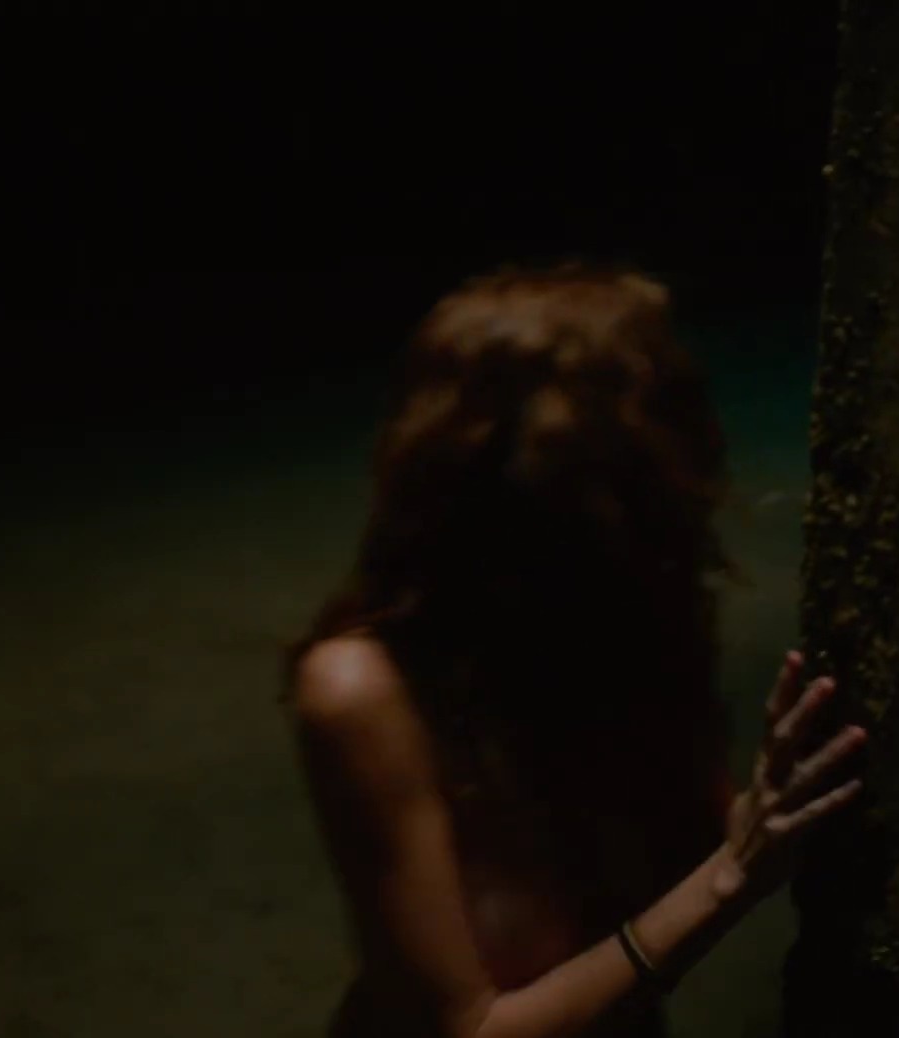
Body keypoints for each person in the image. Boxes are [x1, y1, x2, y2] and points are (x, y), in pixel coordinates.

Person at [284, 265, 867, 1037]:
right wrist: (731, 877)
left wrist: (779, 797)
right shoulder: (364, 690)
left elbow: (707, 827)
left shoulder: (629, 628)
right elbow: (469, 1030)